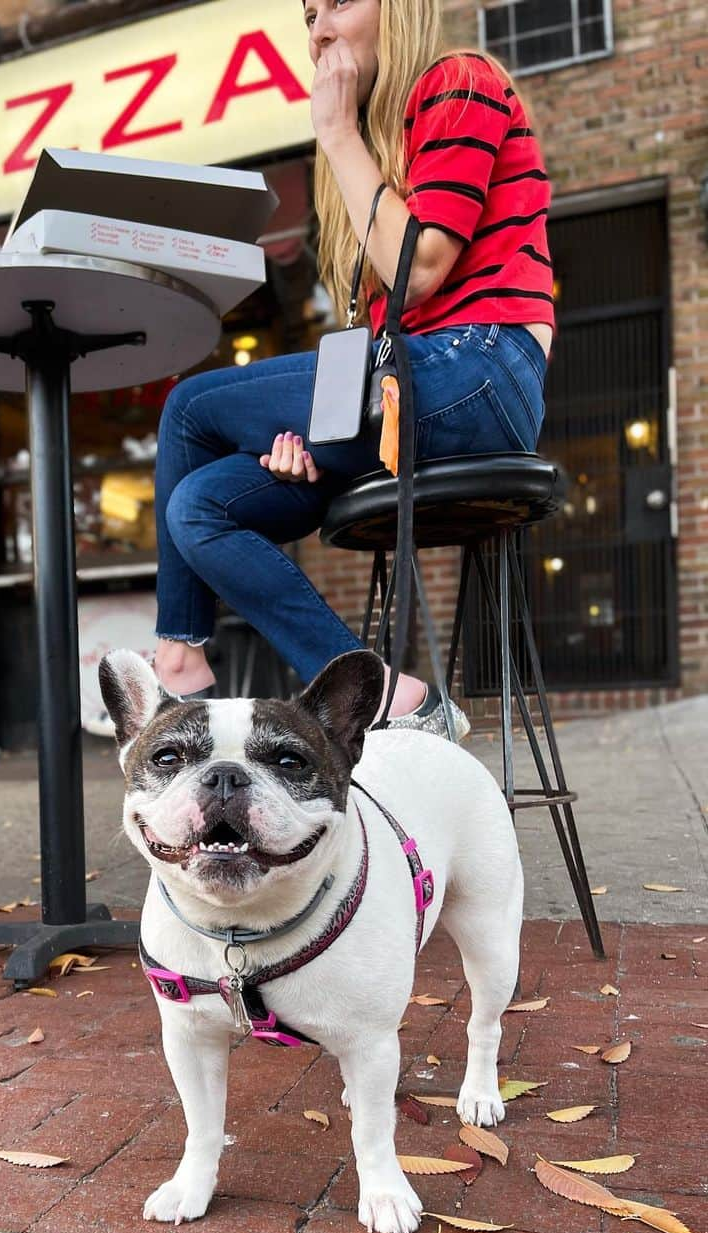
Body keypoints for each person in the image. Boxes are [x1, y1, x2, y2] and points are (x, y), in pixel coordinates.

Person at [150, 0, 554, 737]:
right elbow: (381, 339)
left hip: (481, 370)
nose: (320, 30)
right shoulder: (379, 147)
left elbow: (420, 269)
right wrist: (310, 437)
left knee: (189, 407)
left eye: (339, 3)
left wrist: (335, 133)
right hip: (412, 393)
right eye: (308, 14)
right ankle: (393, 698)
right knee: (197, 506)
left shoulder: (457, 80)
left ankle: (177, 654)